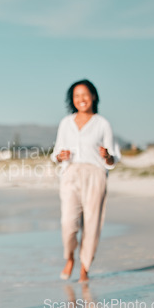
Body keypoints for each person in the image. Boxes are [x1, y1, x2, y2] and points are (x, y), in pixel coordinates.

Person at [51, 79, 120, 283]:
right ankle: (70, 257)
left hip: (95, 174)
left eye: (85, 94)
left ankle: (85, 267)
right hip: (70, 174)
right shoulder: (66, 123)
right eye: (77, 95)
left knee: (92, 223)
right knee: (68, 223)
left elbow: (113, 157)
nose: (81, 99)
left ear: (93, 96)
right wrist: (60, 156)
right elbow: (55, 153)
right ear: (72, 100)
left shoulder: (102, 123)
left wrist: (107, 155)